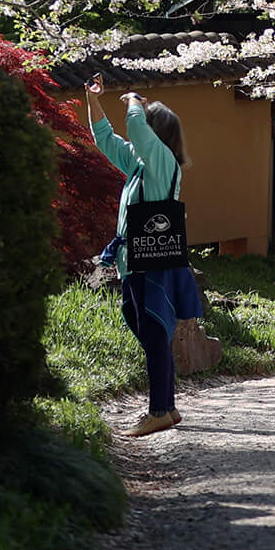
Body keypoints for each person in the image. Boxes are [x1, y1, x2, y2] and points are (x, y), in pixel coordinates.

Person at [86, 79, 205, 438]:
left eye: (143, 124)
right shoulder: (141, 166)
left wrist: (134, 101)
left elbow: (135, 128)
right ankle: (165, 407)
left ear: (157, 134)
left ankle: (159, 410)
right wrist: (93, 102)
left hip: (153, 263)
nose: (136, 128)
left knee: (154, 333)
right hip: (135, 260)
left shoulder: (164, 162)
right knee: (147, 331)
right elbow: (106, 140)